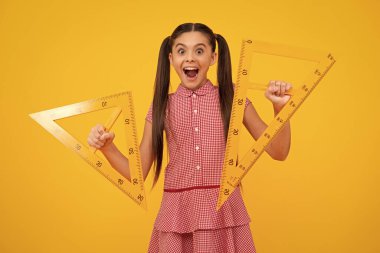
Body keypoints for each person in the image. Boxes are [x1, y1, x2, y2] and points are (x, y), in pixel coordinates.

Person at [87, 23, 291, 253]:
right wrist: (107, 148)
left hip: (223, 213)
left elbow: (278, 151)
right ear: (171, 58)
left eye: (200, 51)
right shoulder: (161, 106)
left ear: (213, 57)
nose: (190, 58)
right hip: (177, 215)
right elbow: (138, 172)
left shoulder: (232, 97)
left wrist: (281, 109)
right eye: (182, 51)